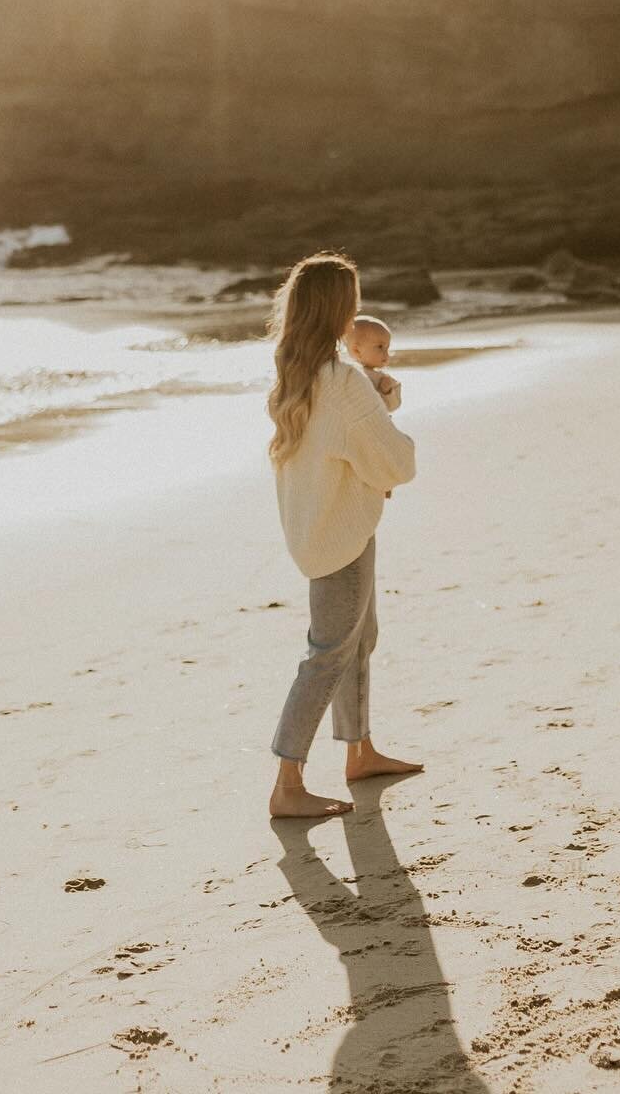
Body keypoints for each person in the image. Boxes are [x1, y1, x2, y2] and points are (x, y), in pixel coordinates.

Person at [266, 253, 420, 818]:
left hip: (320, 527)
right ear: (339, 310)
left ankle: (360, 751)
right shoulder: (341, 382)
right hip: (339, 534)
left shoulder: (295, 377)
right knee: (328, 654)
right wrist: (388, 426)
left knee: (359, 637)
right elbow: (394, 462)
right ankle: (287, 784)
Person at [346, 314, 402, 411]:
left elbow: (393, 407)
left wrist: (387, 392)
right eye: (380, 347)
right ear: (357, 351)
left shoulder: (384, 378)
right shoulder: (347, 373)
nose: (386, 353)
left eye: (387, 348)